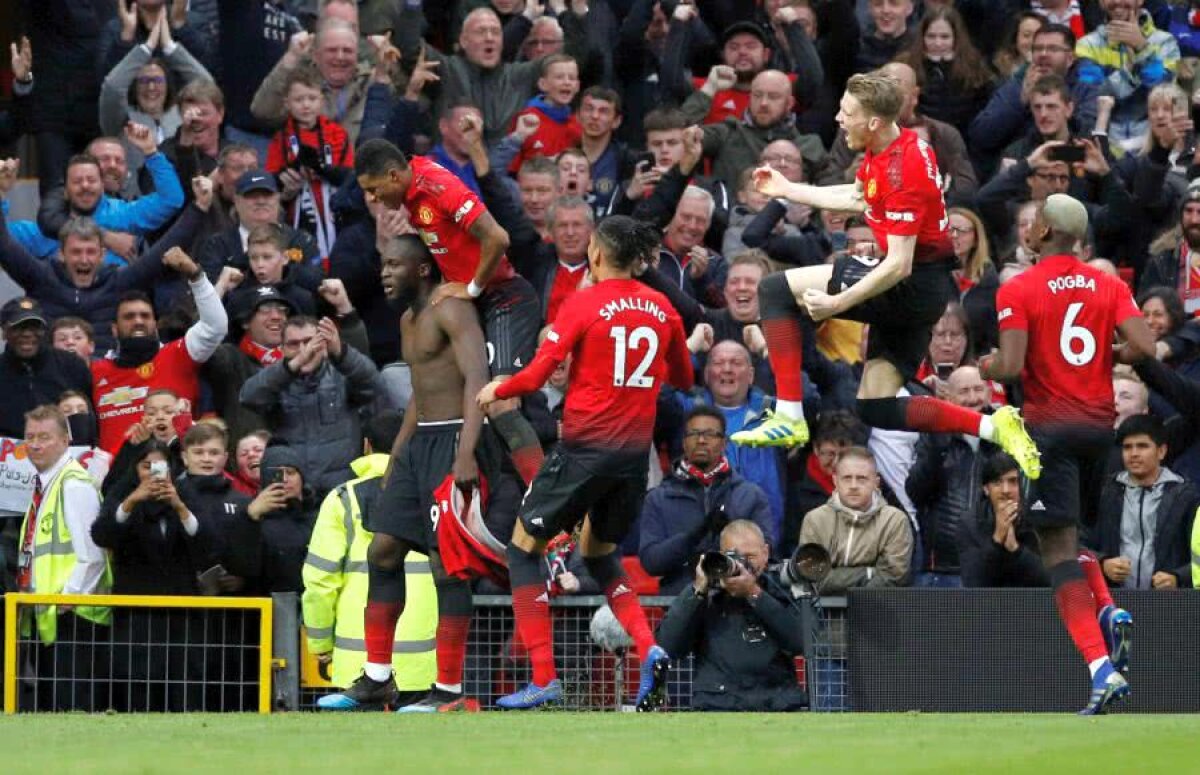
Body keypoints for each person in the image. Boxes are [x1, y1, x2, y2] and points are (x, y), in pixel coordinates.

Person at [732, 70, 1041, 487]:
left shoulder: (902, 170)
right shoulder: (896, 144)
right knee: (876, 406)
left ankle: (789, 415)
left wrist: (837, 305)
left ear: (873, 121)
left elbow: (898, 264)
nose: (839, 121)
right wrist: (789, 188)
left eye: (847, 114)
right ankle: (993, 426)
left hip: (910, 287)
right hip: (924, 290)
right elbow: (859, 196)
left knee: (773, 290)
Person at [476, 215, 692, 710]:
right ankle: (648, 645)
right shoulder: (662, 308)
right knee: (598, 554)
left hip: (583, 450)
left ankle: (544, 676)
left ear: (595, 254)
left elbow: (534, 377)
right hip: (633, 459)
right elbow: (681, 375)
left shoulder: (584, 302)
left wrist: (499, 388)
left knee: (521, 548)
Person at [320, 234, 520, 713]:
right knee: (382, 550)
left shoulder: (451, 309)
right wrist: (401, 456)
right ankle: (376, 678)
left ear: (423, 269)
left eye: (394, 265)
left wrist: (467, 452)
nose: (384, 274)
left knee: (446, 566)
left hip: (457, 439)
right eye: (382, 265)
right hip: (420, 443)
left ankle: (448, 691)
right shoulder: (409, 318)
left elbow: (478, 379)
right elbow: (420, 393)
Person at [978, 193, 1156, 715]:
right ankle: (1108, 610)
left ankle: (1102, 668)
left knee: (1054, 553)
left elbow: (1010, 367)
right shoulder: (1108, 284)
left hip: (1049, 432)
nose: (1028, 231)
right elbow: (1144, 347)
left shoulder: (1019, 287)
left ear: (1044, 233)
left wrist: (986, 365)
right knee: (1071, 534)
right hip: (1100, 431)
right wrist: (1109, 353)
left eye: (1034, 224)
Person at [355, 137, 546, 489]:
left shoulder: (438, 187)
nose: (373, 199)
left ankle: (548, 507)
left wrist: (471, 286)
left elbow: (498, 237)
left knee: (501, 404)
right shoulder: (413, 194)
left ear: (394, 176)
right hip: (477, 303)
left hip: (504, 297)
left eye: (373, 189)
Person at [302, 410, 438, 701]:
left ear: (366, 445)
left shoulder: (342, 498)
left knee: (356, 745)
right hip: (424, 663)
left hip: (358, 663)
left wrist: (320, 642)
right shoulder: (434, 494)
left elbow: (320, 579)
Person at [655, 519, 807, 712]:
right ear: (721, 556)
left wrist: (755, 594)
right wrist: (697, 591)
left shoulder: (782, 589)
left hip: (776, 700)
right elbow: (669, 646)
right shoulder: (705, 594)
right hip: (717, 703)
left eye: (750, 556)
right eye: (734, 557)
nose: (742, 565)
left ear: (765, 553)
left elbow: (799, 642)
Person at [17, 405, 110, 712]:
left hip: (74, 617)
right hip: (53, 617)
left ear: (65, 440)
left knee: (71, 707)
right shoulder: (48, 485)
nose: (35, 444)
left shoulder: (73, 484)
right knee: (52, 709)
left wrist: (70, 597)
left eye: (45, 436)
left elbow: (93, 554)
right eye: (30, 436)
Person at [91, 247, 229, 454]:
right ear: (114, 329)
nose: (138, 321)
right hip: (116, 481)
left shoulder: (179, 354)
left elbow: (215, 327)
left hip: (174, 473)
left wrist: (196, 276)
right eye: (129, 317)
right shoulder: (95, 371)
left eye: (145, 316)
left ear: (155, 325)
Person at [238, 313, 382, 495]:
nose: (303, 350)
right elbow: (248, 397)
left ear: (324, 345)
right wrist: (295, 364)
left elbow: (375, 384)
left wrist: (341, 352)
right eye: (293, 344)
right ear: (281, 349)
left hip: (341, 492)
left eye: (309, 341)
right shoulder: (275, 381)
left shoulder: (343, 376)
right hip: (293, 494)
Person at [638, 406, 774, 595]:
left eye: (710, 434)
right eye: (694, 434)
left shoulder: (750, 495)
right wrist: (694, 536)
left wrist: (729, 541)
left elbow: (764, 555)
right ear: (684, 442)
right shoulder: (658, 498)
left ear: (724, 443)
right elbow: (651, 562)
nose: (701, 440)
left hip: (738, 604)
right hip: (681, 606)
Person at [906, 366, 998, 588]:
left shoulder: (1004, 437)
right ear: (949, 397)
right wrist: (939, 446)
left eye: (978, 389)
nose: (973, 398)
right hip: (942, 569)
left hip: (992, 567)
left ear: (989, 393)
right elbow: (916, 492)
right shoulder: (933, 433)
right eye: (964, 391)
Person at [1086, 414, 1199, 590]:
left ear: (1161, 451)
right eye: (1127, 447)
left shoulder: (1186, 497)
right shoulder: (1105, 492)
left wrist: (1178, 577)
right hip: (1112, 603)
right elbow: (1076, 541)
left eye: (1142, 446)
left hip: (1169, 605)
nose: (1134, 454)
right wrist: (1102, 562)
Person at [798, 446, 913, 594]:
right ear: (835, 480)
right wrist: (868, 573)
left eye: (862, 478)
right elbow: (813, 578)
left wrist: (835, 578)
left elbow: (893, 577)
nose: (853, 486)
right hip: (823, 614)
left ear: (876, 482)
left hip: (877, 610)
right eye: (847, 478)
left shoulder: (894, 520)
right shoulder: (815, 520)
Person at [0, 297, 93, 439]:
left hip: (68, 455)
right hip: (8, 457)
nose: (27, 333)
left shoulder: (71, 364)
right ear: (4, 332)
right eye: (18, 327)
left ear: (44, 330)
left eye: (34, 327)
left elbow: (92, 419)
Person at [957, 451, 1049, 588]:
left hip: (1030, 604)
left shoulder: (1036, 519)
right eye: (997, 482)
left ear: (1020, 486)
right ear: (986, 489)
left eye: (1012, 481)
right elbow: (973, 584)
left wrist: (1015, 549)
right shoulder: (970, 524)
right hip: (987, 606)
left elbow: (1049, 581)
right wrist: (997, 539)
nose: (1006, 490)